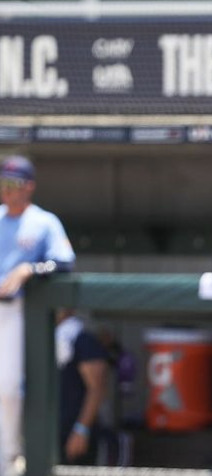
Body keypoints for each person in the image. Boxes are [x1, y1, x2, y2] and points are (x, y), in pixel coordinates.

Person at [0, 155, 76, 476]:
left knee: (8, 388)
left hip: (18, 311)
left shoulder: (43, 221)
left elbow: (64, 262)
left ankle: (9, 456)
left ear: (29, 186)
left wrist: (29, 268)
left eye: (14, 184)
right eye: (3, 183)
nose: (7, 190)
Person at [56, 309, 108, 465]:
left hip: (74, 434)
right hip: (47, 433)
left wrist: (81, 429)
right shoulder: (40, 337)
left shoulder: (84, 341)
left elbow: (97, 390)